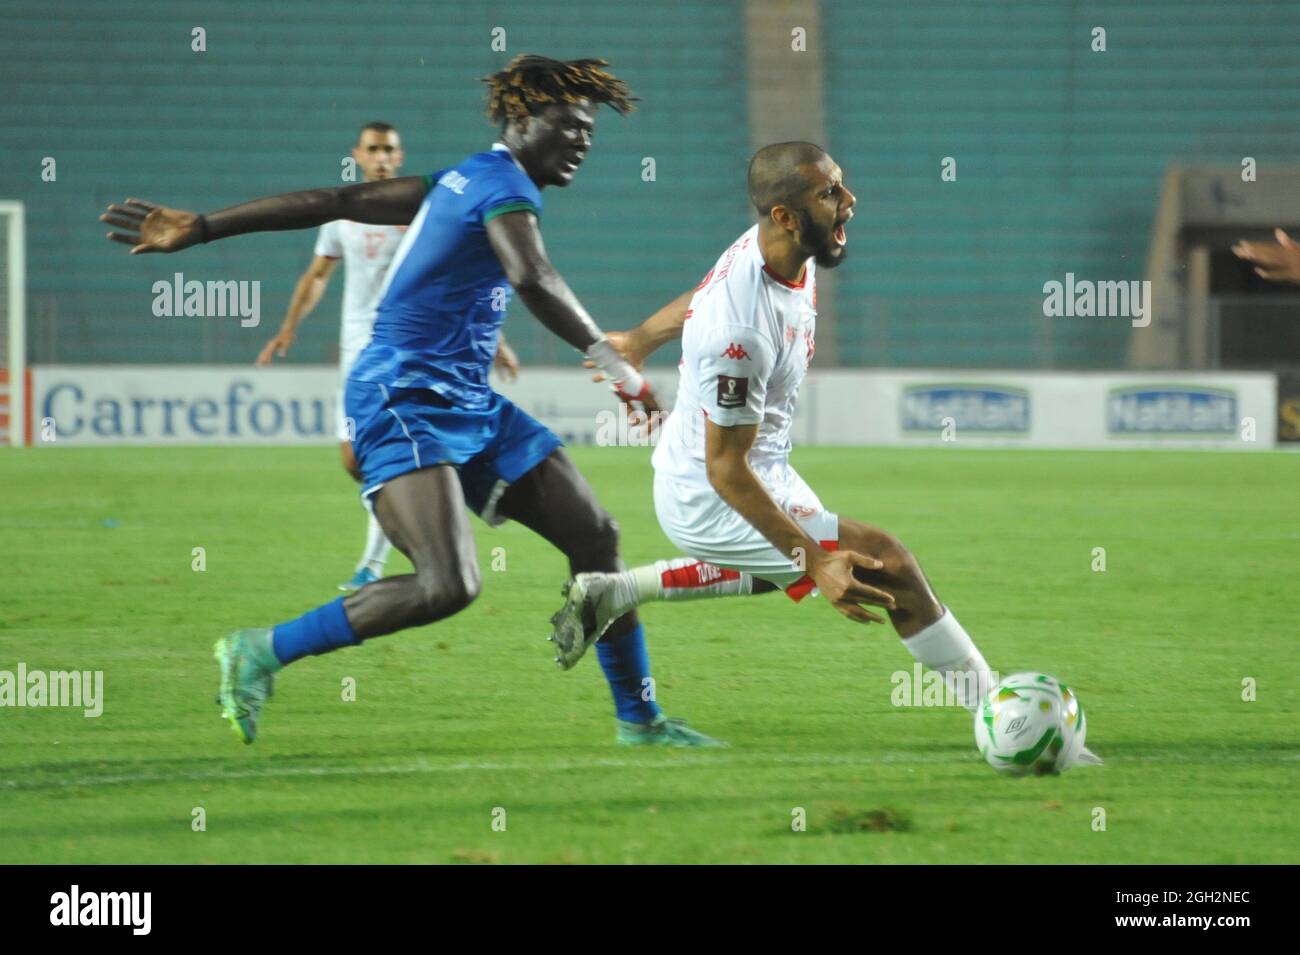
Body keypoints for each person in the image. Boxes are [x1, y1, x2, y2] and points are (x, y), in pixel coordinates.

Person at [101, 55, 720, 748]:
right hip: (402, 398)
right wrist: (619, 364)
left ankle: (640, 721)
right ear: (521, 121)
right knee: (446, 585)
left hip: (467, 399)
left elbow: (334, 202)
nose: (583, 141)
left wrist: (206, 226)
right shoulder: (499, 186)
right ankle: (260, 649)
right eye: (570, 125)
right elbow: (534, 277)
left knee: (594, 536)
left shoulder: (462, 178)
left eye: (590, 133)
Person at [552, 142, 1100, 763]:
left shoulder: (781, 248)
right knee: (882, 561)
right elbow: (725, 468)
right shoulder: (741, 332)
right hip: (709, 494)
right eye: (830, 193)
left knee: (790, 569)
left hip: (758, 470)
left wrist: (639, 339)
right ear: (786, 215)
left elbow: (697, 296)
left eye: (840, 185)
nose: (849, 201)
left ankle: (615, 591)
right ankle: (1004, 721)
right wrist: (816, 560)